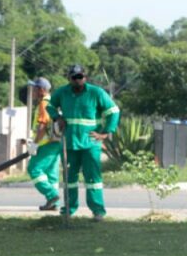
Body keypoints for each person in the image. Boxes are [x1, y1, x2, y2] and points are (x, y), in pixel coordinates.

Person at [46, 65, 120, 221]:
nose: (77, 80)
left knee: (92, 179)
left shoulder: (96, 92)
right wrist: (57, 117)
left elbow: (114, 111)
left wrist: (106, 132)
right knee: (69, 179)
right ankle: (69, 210)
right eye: (74, 77)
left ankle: (98, 211)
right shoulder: (62, 92)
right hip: (69, 143)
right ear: (69, 78)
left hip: (90, 143)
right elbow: (50, 106)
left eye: (80, 77)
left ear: (85, 77)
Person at [26, 77, 61, 211]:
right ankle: (53, 203)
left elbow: (42, 127)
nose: (33, 92)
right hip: (56, 143)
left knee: (34, 169)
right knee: (52, 174)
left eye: (34, 89)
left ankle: (52, 195)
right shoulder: (53, 102)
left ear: (41, 90)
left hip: (46, 143)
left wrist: (34, 145)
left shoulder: (43, 104)